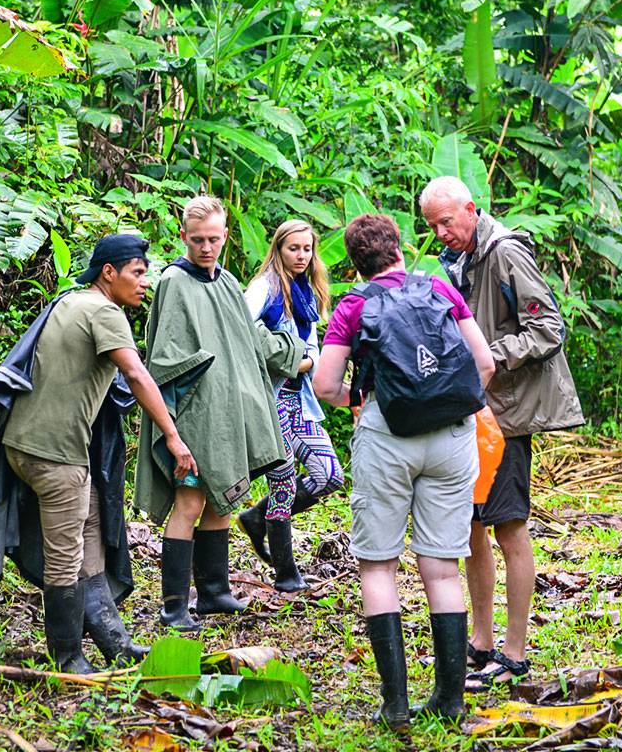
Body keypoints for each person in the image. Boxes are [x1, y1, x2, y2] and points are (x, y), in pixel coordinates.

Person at [0, 234, 198, 674]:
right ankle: (67, 656)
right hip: (55, 456)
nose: (144, 283)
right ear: (109, 273)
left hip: (23, 445)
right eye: (137, 274)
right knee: (66, 554)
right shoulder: (105, 312)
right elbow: (136, 376)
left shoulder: (71, 301)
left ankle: (114, 641)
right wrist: (174, 438)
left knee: (93, 529)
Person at [313, 213, 495, 727]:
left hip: (387, 438)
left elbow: (326, 387)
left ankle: (395, 704)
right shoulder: (439, 288)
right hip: (452, 437)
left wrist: (365, 398)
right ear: (398, 247)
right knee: (441, 567)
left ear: (354, 260)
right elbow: (484, 363)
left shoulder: (353, 305)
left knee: (378, 566)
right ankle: (451, 700)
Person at [420, 176, 585, 686]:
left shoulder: (506, 253)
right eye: (432, 226)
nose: (441, 233)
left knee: (509, 527)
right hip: (474, 413)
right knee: (471, 528)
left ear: (471, 210)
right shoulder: (458, 261)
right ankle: (481, 641)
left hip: (508, 414)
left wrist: (488, 357)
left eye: (447, 222)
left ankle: (513, 652)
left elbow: (548, 328)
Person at [135, 196, 303, 631]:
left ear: (225, 237)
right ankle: (174, 606)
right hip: (192, 416)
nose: (205, 248)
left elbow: (250, 340)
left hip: (229, 416)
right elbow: (164, 359)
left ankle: (213, 592)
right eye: (197, 240)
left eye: (213, 239)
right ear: (183, 237)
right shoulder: (174, 282)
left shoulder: (226, 281)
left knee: (223, 500)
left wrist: (294, 353)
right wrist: (179, 425)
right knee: (190, 502)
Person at [237, 219, 345, 593]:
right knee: (282, 476)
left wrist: (305, 362)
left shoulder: (307, 291)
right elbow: (240, 328)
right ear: (278, 249)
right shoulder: (265, 287)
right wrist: (288, 360)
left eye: (307, 249)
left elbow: (312, 347)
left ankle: (256, 517)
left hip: (298, 398)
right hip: (268, 398)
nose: (301, 256)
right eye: (293, 248)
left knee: (329, 474)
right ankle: (286, 572)